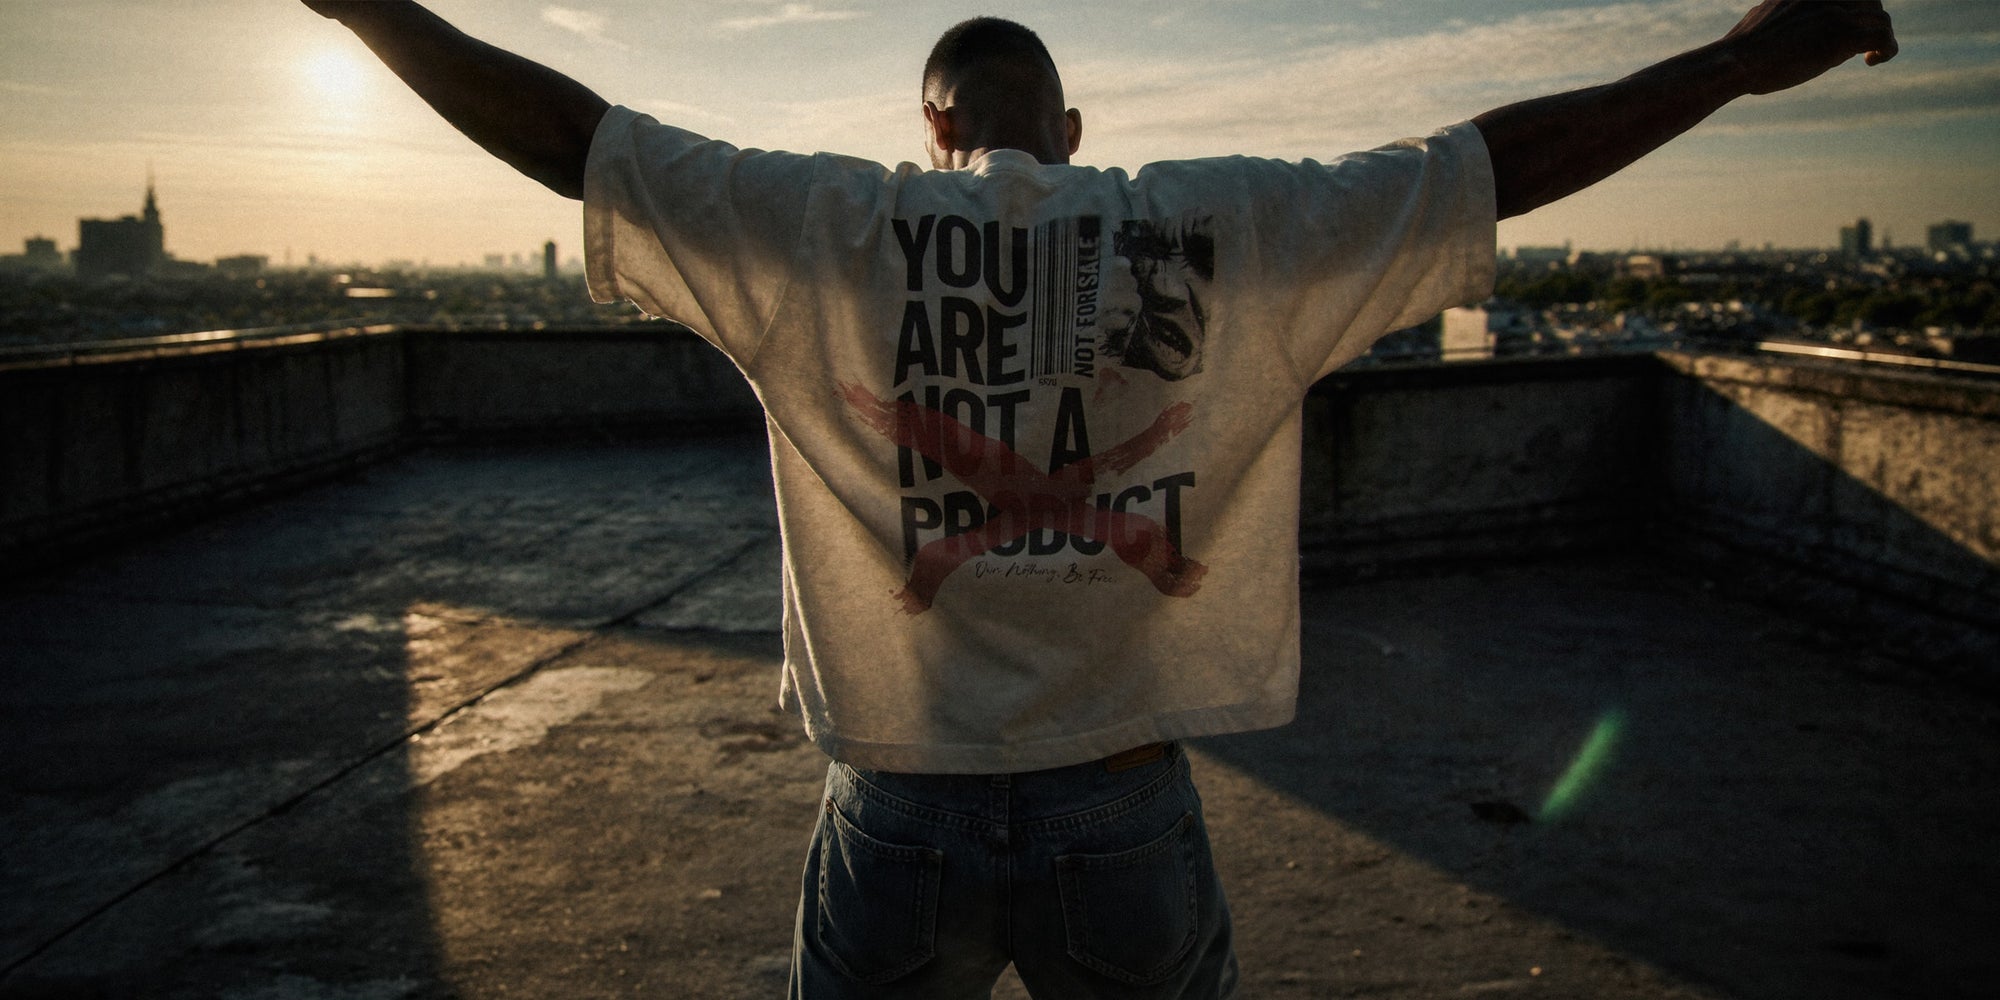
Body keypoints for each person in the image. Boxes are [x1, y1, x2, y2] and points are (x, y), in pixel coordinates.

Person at [302, 3, 1898, 997]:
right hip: (1124, 798)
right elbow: (1492, 164)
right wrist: (1742, 61)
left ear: (932, 130)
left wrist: (363, 5)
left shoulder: (828, 227)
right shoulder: (1223, 225)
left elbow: (575, 142)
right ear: (1071, 133)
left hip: (900, 798)